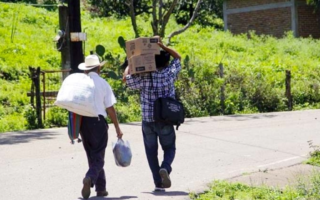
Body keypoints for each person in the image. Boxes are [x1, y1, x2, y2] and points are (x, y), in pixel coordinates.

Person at [123, 39, 181, 192]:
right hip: (166, 119)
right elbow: (178, 58)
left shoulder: (144, 77)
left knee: (151, 152)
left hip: (148, 121)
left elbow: (126, 80)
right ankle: (166, 167)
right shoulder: (169, 73)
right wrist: (163, 46)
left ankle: (158, 183)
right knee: (170, 148)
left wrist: (131, 60)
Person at [78, 54, 124, 199]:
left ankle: (101, 189)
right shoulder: (103, 83)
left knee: (92, 156)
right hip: (98, 123)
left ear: (86, 70)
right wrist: (117, 127)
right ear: (99, 68)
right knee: (99, 157)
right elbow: (110, 108)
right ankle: (90, 178)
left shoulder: (80, 83)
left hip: (83, 123)